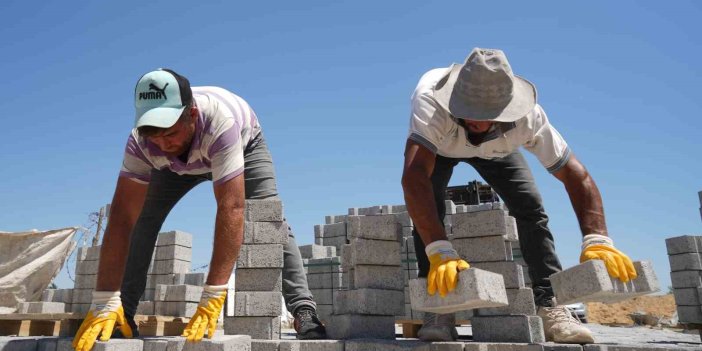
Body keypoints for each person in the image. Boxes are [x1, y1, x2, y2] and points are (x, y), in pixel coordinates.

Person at [72, 69, 326, 351]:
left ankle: (304, 310)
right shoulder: (143, 144)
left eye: (170, 133)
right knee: (142, 221)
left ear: (191, 114)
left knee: (269, 220)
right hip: (174, 169)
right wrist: (105, 297)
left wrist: (213, 294)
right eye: (155, 136)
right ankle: (122, 314)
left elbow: (231, 208)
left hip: (242, 145)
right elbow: (121, 218)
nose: (164, 143)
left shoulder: (220, 122)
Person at [401, 48, 637, 344]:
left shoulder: (528, 118)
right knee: (427, 209)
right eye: (471, 115)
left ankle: (552, 305)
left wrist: (597, 239)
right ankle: (439, 308)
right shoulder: (431, 100)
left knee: (531, 208)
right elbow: (414, 176)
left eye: (489, 117)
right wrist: (439, 250)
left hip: (498, 152)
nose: (479, 125)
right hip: (441, 149)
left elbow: (577, 175)